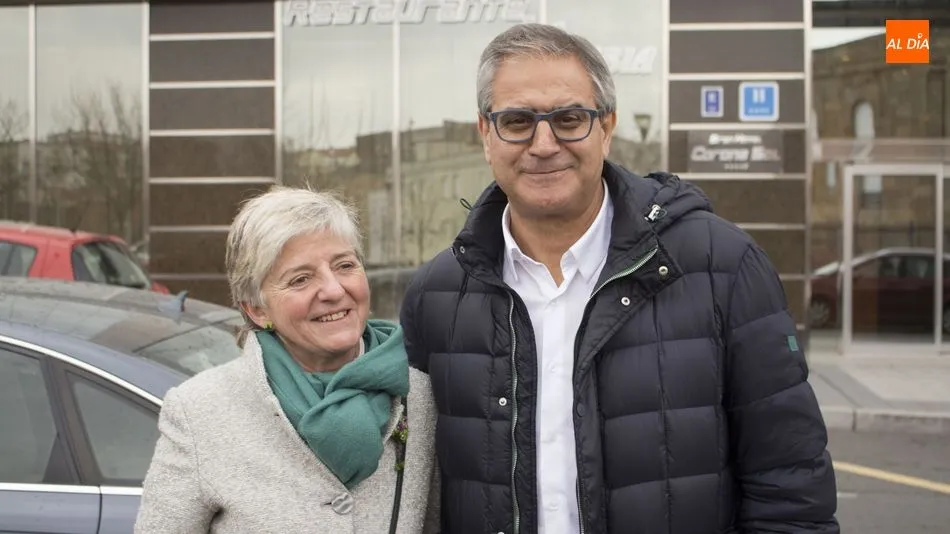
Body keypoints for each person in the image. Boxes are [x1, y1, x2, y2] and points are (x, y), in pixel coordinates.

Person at [400, 23, 838, 534]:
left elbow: (789, 490)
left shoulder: (723, 266)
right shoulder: (437, 295)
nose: (544, 144)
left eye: (569, 118)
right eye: (517, 120)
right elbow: (414, 495)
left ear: (606, 127)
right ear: (485, 134)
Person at [135, 185, 439, 534]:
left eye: (344, 265)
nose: (334, 290)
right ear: (257, 309)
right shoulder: (199, 413)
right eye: (300, 279)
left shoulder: (421, 397)